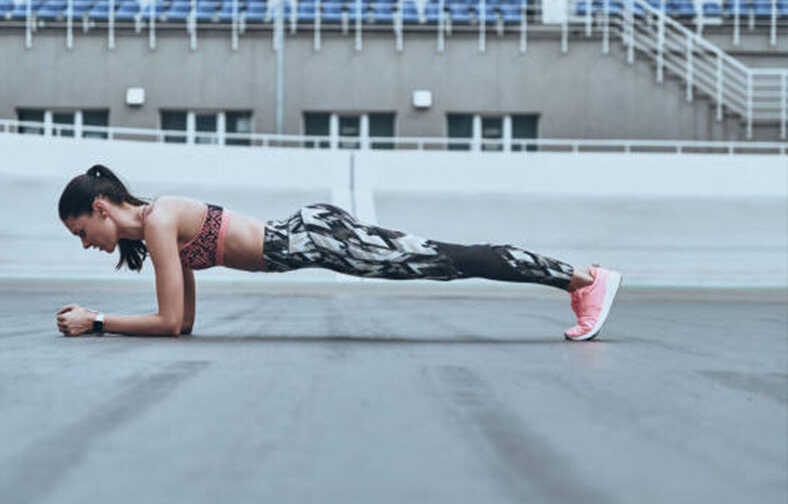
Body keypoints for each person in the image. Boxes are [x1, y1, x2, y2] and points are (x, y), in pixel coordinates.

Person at [56, 164, 622, 341]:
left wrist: (98, 320)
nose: (87, 244)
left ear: (101, 208)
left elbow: (169, 321)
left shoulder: (158, 220)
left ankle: (582, 279)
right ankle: (578, 279)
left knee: (447, 260)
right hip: (312, 237)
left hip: (315, 238)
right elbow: (182, 324)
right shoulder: (157, 228)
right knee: (444, 261)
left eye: (82, 231)